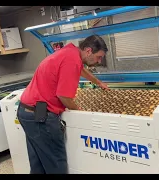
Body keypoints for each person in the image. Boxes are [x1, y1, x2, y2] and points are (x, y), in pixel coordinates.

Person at [17, 35, 109, 174]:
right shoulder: (72, 61)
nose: (99, 61)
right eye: (99, 57)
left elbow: (81, 70)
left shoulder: (70, 52)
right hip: (42, 116)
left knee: (38, 163)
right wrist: (79, 112)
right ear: (89, 51)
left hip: (27, 111)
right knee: (56, 163)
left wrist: (98, 82)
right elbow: (63, 96)